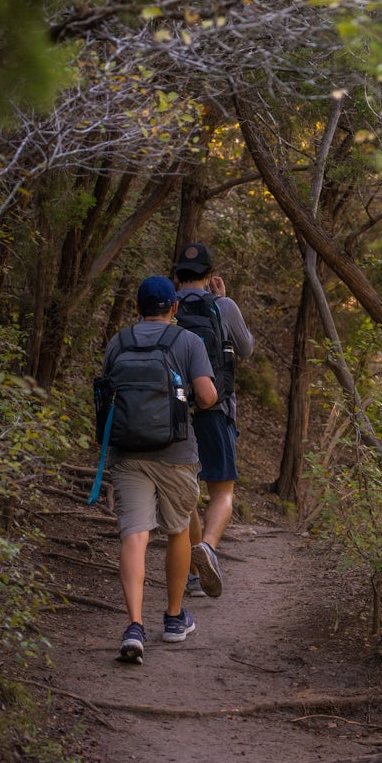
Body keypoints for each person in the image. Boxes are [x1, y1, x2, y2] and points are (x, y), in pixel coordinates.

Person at [101, 275, 217, 663]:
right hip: (175, 452)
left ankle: (133, 625)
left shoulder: (119, 341)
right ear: (174, 307)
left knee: (134, 536)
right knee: (178, 531)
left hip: (127, 451)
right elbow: (207, 395)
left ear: (137, 308)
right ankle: (172, 617)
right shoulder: (187, 341)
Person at [174, 242, 255, 600]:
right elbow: (247, 348)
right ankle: (207, 547)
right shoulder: (222, 305)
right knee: (221, 490)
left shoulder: (168, 306)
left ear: (178, 275)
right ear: (210, 275)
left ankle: (192, 575)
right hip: (216, 410)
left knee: (188, 494)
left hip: (175, 414)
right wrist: (224, 302)